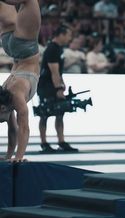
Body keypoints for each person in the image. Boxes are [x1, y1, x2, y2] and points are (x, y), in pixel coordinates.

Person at [0, 0, 41, 162]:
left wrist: (18, 156)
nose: (4, 121)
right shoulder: (5, 92)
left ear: (3, 108)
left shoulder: (14, 97)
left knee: (29, 1)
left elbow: (22, 128)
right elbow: (16, 130)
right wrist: (12, 156)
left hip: (25, 47)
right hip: (10, 46)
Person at [37, 24, 78, 153]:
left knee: (60, 113)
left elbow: (58, 72)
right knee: (44, 114)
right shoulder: (52, 49)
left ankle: (61, 141)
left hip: (53, 84)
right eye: (68, 35)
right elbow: (53, 71)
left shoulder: (59, 49)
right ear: (61, 35)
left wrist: (62, 83)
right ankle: (44, 143)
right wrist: (58, 88)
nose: (70, 38)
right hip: (46, 86)